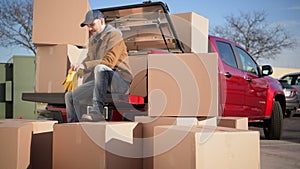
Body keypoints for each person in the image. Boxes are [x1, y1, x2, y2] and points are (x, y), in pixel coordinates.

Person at [65, 9, 132, 122]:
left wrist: (85, 66)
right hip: (101, 82)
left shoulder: (115, 36)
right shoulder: (93, 40)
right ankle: (72, 128)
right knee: (70, 96)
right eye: (88, 26)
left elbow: (109, 61)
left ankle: (97, 112)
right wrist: (78, 66)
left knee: (100, 68)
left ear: (101, 21)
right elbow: (90, 59)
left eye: (92, 25)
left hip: (119, 82)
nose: (90, 29)